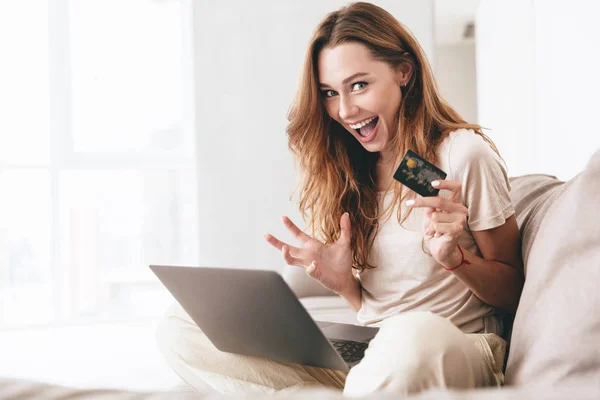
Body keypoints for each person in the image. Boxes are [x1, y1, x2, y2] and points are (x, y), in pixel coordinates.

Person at [156, 2, 524, 396]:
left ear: (404, 72)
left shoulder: (461, 155)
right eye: (330, 92)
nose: (345, 110)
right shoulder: (354, 169)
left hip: (453, 346)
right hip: (373, 357)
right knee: (183, 325)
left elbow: (514, 289)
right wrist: (345, 285)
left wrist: (457, 260)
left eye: (359, 85)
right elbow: (373, 310)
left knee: (413, 332)